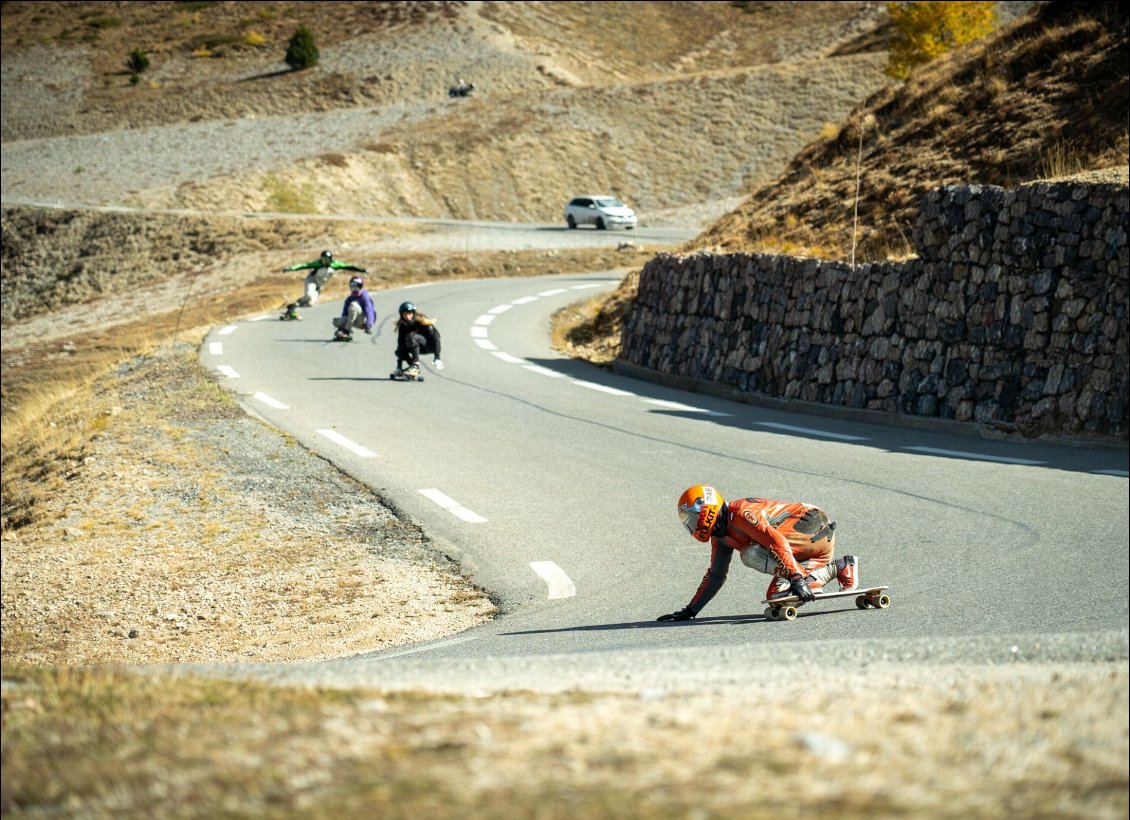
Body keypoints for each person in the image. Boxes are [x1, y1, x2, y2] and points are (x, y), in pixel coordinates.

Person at [656, 485, 859, 621]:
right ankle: (840, 567)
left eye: (692, 519)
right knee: (778, 596)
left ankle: (804, 578)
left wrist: (796, 578)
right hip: (807, 550)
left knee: (750, 554)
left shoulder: (741, 513)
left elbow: (775, 540)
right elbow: (716, 575)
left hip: (811, 524)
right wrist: (690, 611)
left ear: (705, 511)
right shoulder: (721, 536)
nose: (692, 526)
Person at [282, 250, 367, 319]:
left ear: (331, 259)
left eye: (327, 259)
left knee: (310, 303)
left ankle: (292, 308)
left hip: (319, 285)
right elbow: (304, 265)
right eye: (323, 259)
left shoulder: (335, 264)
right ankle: (292, 309)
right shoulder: (318, 263)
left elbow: (349, 266)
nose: (325, 262)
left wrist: (362, 270)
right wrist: (291, 268)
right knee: (308, 295)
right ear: (321, 259)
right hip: (311, 280)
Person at [393, 301, 443, 376]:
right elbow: (400, 344)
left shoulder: (422, 321)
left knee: (411, 337)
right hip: (416, 346)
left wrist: (437, 357)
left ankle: (415, 366)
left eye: (409, 314)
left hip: (429, 345)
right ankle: (412, 367)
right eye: (405, 314)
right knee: (399, 351)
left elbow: (436, 337)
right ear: (401, 315)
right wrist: (399, 366)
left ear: (413, 313)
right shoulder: (403, 326)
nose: (407, 317)